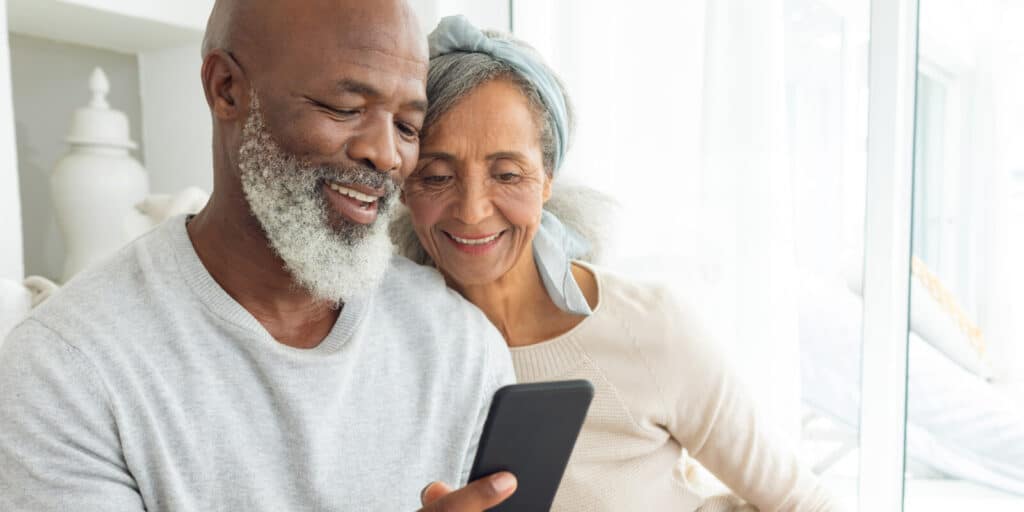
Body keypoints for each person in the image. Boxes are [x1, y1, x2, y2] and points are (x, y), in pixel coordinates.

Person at [0, 2, 520, 511]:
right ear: (226, 88)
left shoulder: (459, 349)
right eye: (345, 109)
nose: (386, 155)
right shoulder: (67, 369)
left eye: (407, 127)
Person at [398, 16, 843, 511]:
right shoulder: (386, 353)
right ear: (403, 185)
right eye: (436, 176)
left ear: (548, 178)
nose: (472, 210)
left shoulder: (650, 327)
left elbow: (804, 501)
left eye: (507, 174)